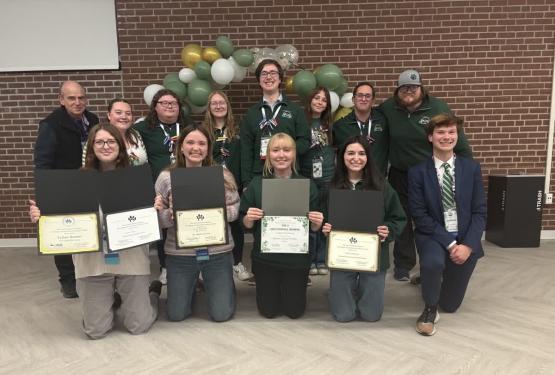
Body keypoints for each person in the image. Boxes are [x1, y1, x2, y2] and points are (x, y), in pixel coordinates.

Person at [30, 123, 161, 339]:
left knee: (139, 326)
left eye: (111, 141)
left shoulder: (137, 179)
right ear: (91, 147)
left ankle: (152, 294)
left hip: (130, 259)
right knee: (95, 331)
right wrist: (42, 218)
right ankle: (111, 300)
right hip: (93, 262)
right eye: (99, 142)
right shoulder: (74, 182)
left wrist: (153, 209)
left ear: (120, 146)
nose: (106, 146)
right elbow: (60, 219)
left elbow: (145, 221)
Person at [377, 69, 473, 282]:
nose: (408, 91)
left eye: (413, 87)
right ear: (397, 91)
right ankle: (403, 265)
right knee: (401, 220)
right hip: (400, 175)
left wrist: (468, 171)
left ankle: (431, 265)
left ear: (421, 88)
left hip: (428, 175)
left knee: (429, 221)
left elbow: (458, 140)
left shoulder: (438, 107)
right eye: (404, 88)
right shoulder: (388, 108)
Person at [408, 113, 486, 336]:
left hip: (465, 238)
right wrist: (451, 245)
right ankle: (429, 309)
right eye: (441, 132)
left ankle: (435, 281)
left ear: (457, 136)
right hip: (433, 234)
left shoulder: (471, 169)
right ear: (430, 137)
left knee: (450, 305)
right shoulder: (417, 173)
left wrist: (468, 245)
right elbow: (420, 215)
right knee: (433, 263)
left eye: (451, 132)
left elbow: (479, 211)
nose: (447, 136)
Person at [154, 125, 239, 322]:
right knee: (176, 314)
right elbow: (158, 220)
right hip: (180, 255)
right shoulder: (166, 178)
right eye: (190, 142)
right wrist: (171, 215)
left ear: (208, 148)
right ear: (180, 147)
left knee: (221, 314)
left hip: (217, 252)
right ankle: (186, 287)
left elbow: (235, 211)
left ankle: (222, 286)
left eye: (202, 143)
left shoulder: (222, 175)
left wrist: (217, 213)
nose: (196, 148)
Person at [322, 136, 406, 322]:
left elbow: (398, 218)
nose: (356, 158)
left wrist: (388, 230)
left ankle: (358, 290)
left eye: (361, 153)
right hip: (343, 255)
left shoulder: (382, 186)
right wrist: (325, 227)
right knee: (343, 316)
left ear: (368, 157)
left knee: (371, 315)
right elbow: (321, 219)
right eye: (350, 153)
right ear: (342, 157)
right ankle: (341, 291)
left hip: (373, 255)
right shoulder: (332, 187)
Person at [240, 133, 324, 319]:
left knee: (294, 311)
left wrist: (317, 223)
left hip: (296, 260)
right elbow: (244, 224)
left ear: (294, 154)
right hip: (266, 259)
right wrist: (249, 218)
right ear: (268, 154)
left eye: (287, 150)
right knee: (268, 311)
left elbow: (314, 228)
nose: (281, 155)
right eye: (275, 150)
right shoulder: (257, 184)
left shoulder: (306, 185)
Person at [34, 80, 99, 298]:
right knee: (63, 233)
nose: (77, 102)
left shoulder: (93, 120)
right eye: (71, 98)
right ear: (61, 100)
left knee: (87, 229)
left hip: (89, 184)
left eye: (81, 97)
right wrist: (47, 193)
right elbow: (42, 163)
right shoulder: (50, 125)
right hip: (62, 187)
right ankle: (68, 280)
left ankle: (88, 274)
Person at [134, 89, 193, 285]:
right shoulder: (144, 128)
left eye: (173, 103)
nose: (169, 106)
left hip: (185, 182)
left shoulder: (188, 127)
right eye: (164, 103)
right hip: (158, 186)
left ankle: (191, 264)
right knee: (162, 226)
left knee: (187, 223)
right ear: (155, 107)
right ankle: (165, 267)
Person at [202, 91, 253, 282]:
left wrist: (245, 182)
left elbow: (246, 155)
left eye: (221, 102)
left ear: (227, 105)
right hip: (211, 184)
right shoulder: (204, 130)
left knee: (236, 225)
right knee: (212, 223)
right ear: (209, 107)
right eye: (213, 103)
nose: (218, 106)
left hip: (234, 184)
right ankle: (209, 264)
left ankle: (237, 263)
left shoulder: (238, 128)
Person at [240, 59, 311, 188]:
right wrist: (246, 182)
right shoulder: (251, 113)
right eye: (264, 73)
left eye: (273, 73)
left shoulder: (295, 110)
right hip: (259, 175)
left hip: (289, 174)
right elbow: (246, 150)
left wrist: (284, 151)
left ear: (280, 79)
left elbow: (305, 141)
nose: (268, 77)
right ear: (259, 80)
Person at [299, 87, 335, 276]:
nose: (320, 102)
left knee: (324, 219)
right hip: (307, 176)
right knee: (311, 219)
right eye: (317, 98)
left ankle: (321, 260)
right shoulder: (302, 122)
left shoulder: (330, 124)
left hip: (327, 176)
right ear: (310, 100)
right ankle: (310, 259)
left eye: (324, 100)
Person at [332, 81, 388, 174]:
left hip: (378, 181)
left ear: (373, 100)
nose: (363, 99)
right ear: (353, 99)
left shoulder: (384, 122)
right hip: (350, 183)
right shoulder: (341, 126)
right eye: (360, 95)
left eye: (368, 96)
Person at [82, 99, 148, 166]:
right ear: (109, 115)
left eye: (128, 113)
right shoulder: (98, 137)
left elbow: (146, 161)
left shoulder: (135, 134)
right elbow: (87, 166)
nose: (124, 117)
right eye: (118, 112)